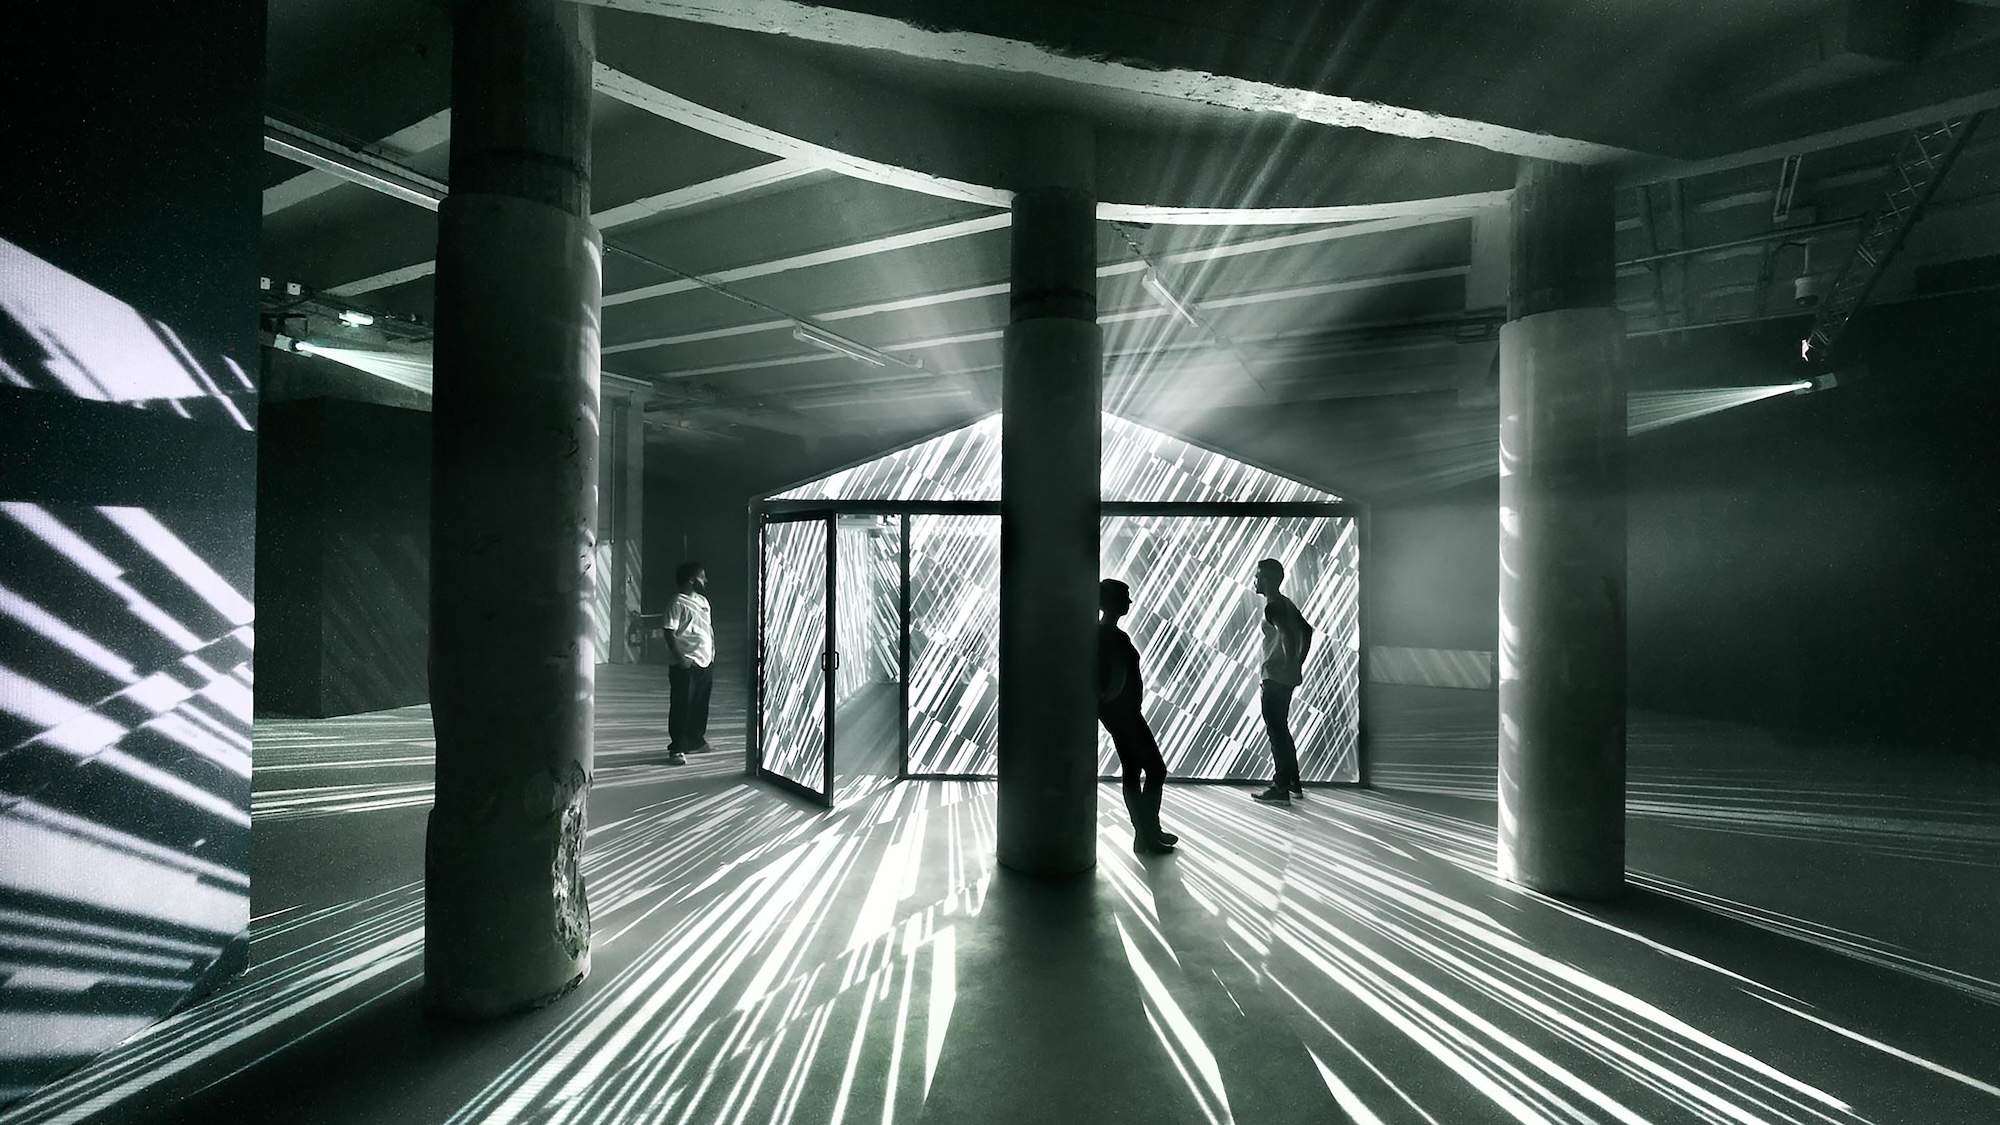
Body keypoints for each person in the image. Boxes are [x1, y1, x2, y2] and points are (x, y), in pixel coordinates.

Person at [1098, 579, 1179, 855]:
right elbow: (1114, 677)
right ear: (1110, 602)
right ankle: (1146, 833)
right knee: (1156, 770)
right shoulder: (1113, 637)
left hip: (1120, 714)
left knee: (1133, 770)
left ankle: (1146, 833)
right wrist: (1111, 700)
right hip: (1125, 715)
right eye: (1125, 597)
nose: (1129, 603)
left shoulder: (1104, 634)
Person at [1251, 558, 1313, 804]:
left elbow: (1288, 635)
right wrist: (1298, 664)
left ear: (1266, 579)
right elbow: (1307, 631)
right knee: (1282, 730)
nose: (1254, 580)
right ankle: (1293, 782)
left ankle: (1280, 788)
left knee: (1276, 731)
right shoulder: (1286, 604)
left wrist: (1290, 663)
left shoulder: (1273, 607)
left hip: (1274, 677)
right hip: (1283, 678)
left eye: (1257, 576)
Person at [663, 561, 715, 766]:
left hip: (705, 662)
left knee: (700, 704)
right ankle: (677, 747)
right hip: (685, 664)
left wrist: (711, 654)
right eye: (703, 576)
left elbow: (706, 628)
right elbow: (668, 632)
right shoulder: (677, 603)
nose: (706, 580)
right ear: (692, 580)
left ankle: (696, 740)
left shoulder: (703, 601)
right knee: (681, 706)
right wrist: (680, 658)